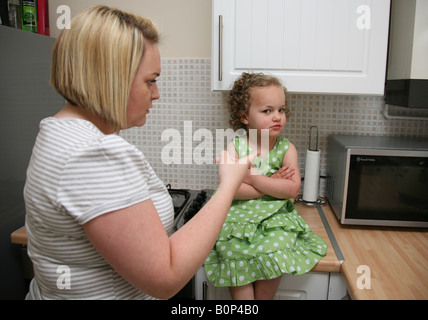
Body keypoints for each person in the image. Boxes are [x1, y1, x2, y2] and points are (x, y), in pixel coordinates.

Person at [23, 5, 252, 300]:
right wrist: (229, 185)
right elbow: (165, 277)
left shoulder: (56, 131)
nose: (156, 94)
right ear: (111, 76)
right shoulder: (95, 154)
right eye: (150, 80)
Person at [204, 73, 327, 300]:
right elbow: (231, 190)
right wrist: (273, 184)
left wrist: (252, 178)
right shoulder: (236, 147)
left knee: (275, 252)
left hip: (275, 222)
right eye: (267, 111)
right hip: (237, 222)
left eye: (281, 110)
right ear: (244, 117)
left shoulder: (286, 148)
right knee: (234, 254)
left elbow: (291, 190)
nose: (277, 117)